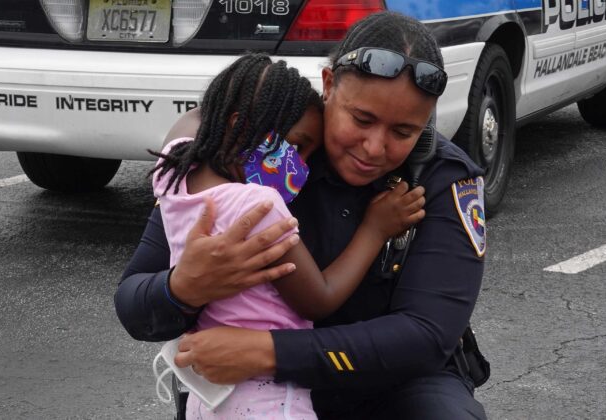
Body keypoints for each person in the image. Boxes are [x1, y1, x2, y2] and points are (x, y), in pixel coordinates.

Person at [115, 11, 488, 419]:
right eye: (361, 119)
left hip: (389, 380)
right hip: (251, 384)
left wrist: (268, 352)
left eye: (403, 132)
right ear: (328, 85)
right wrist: (182, 288)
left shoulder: (440, 178)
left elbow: (426, 337)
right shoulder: (261, 157)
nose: (374, 147)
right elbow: (134, 305)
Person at [148, 53, 425, 418]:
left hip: (207, 393)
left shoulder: (173, 173)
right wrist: (375, 230)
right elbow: (319, 299)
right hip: (265, 396)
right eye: (296, 145)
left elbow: (189, 125)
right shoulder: (260, 206)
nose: (302, 165)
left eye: (310, 152)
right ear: (238, 126)